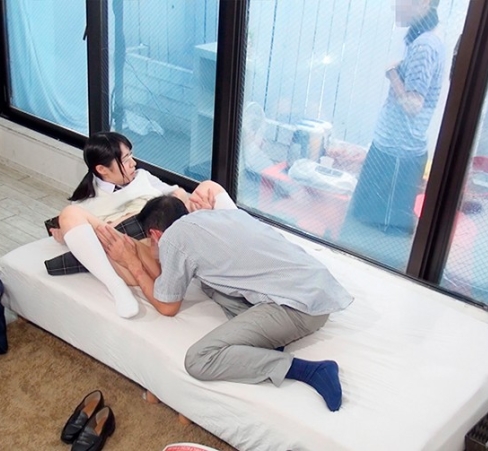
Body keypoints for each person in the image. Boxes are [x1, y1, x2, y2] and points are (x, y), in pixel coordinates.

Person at [95, 191, 354, 411]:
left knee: (198, 360)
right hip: (317, 290)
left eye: (150, 243)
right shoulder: (221, 216)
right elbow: (172, 285)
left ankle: (311, 371)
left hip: (300, 308)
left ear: (155, 234)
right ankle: (265, 343)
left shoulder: (173, 238)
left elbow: (167, 306)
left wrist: (133, 263)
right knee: (208, 284)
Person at [46, 131, 222, 318]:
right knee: (69, 214)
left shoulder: (142, 177)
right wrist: (66, 235)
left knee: (209, 186)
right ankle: (115, 286)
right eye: (125, 160)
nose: (133, 163)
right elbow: (83, 235)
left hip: (162, 242)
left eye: (131, 155)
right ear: (102, 169)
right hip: (130, 253)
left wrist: (197, 208)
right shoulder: (85, 203)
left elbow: (177, 194)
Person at [349, 0, 445, 234]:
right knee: (364, 223)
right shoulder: (427, 40)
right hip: (393, 150)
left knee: (375, 231)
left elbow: (413, 105)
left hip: (397, 155)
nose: (394, 6)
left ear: (422, 3)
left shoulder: (424, 46)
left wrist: (392, 74)